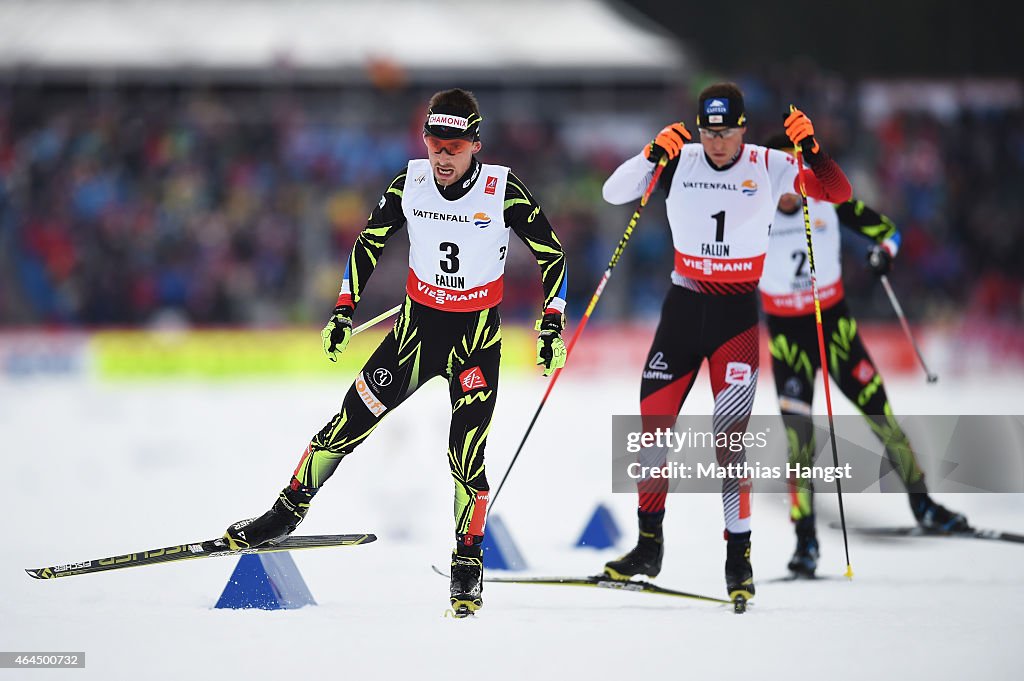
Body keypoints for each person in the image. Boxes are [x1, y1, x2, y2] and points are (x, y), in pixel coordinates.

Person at [223, 89, 568, 616]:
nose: (442, 156)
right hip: (414, 335)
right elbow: (368, 243)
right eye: (434, 144)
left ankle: (468, 560)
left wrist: (551, 325)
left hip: (475, 342)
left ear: (475, 144)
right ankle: (284, 514)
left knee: (465, 454)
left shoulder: (503, 190)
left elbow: (552, 255)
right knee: (344, 425)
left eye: (453, 146)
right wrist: (343, 311)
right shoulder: (409, 183)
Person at [601, 83, 852, 605]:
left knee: (730, 444)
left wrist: (813, 150)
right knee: (651, 430)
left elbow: (837, 192)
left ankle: (738, 559)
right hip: (684, 307)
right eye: (709, 132)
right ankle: (648, 546)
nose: (718, 143)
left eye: (727, 132)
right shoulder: (681, 159)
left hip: (735, 316)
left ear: (742, 128)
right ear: (699, 130)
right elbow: (613, 193)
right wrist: (651, 153)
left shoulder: (767, 163)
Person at [759, 133, 969, 577]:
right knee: (799, 440)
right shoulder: (751, 212)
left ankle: (923, 504)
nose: (789, 184)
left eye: (795, 172)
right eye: (780, 172)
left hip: (835, 328)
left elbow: (888, 232)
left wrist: (882, 256)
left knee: (882, 418)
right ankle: (805, 543)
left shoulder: (826, 201)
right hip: (787, 338)